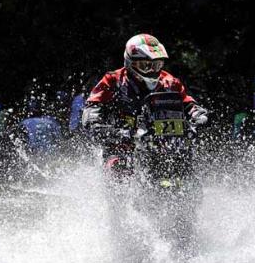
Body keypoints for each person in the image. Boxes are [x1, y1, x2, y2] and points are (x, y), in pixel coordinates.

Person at [82, 33, 208, 173]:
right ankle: (118, 193)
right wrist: (97, 124)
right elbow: (92, 106)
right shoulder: (113, 80)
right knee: (117, 167)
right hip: (122, 142)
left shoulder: (170, 82)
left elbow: (187, 103)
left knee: (186, 163)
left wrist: (198, 115)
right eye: (146, 65)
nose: (153, 70)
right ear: (131, 63)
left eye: (157, 65)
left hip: (162, 143)